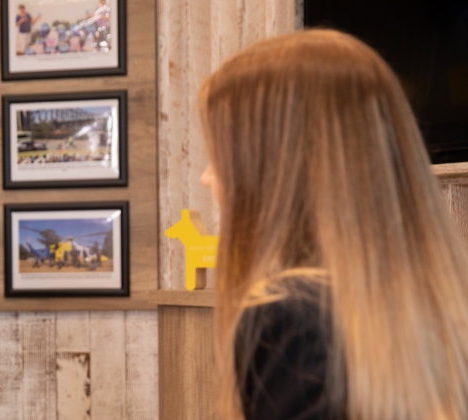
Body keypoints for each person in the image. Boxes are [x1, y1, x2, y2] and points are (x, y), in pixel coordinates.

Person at [198, 30, 468, 419]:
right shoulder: (440, 307)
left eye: (221, 156)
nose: (207, 177)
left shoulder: (290, 319)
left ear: (276, 170)